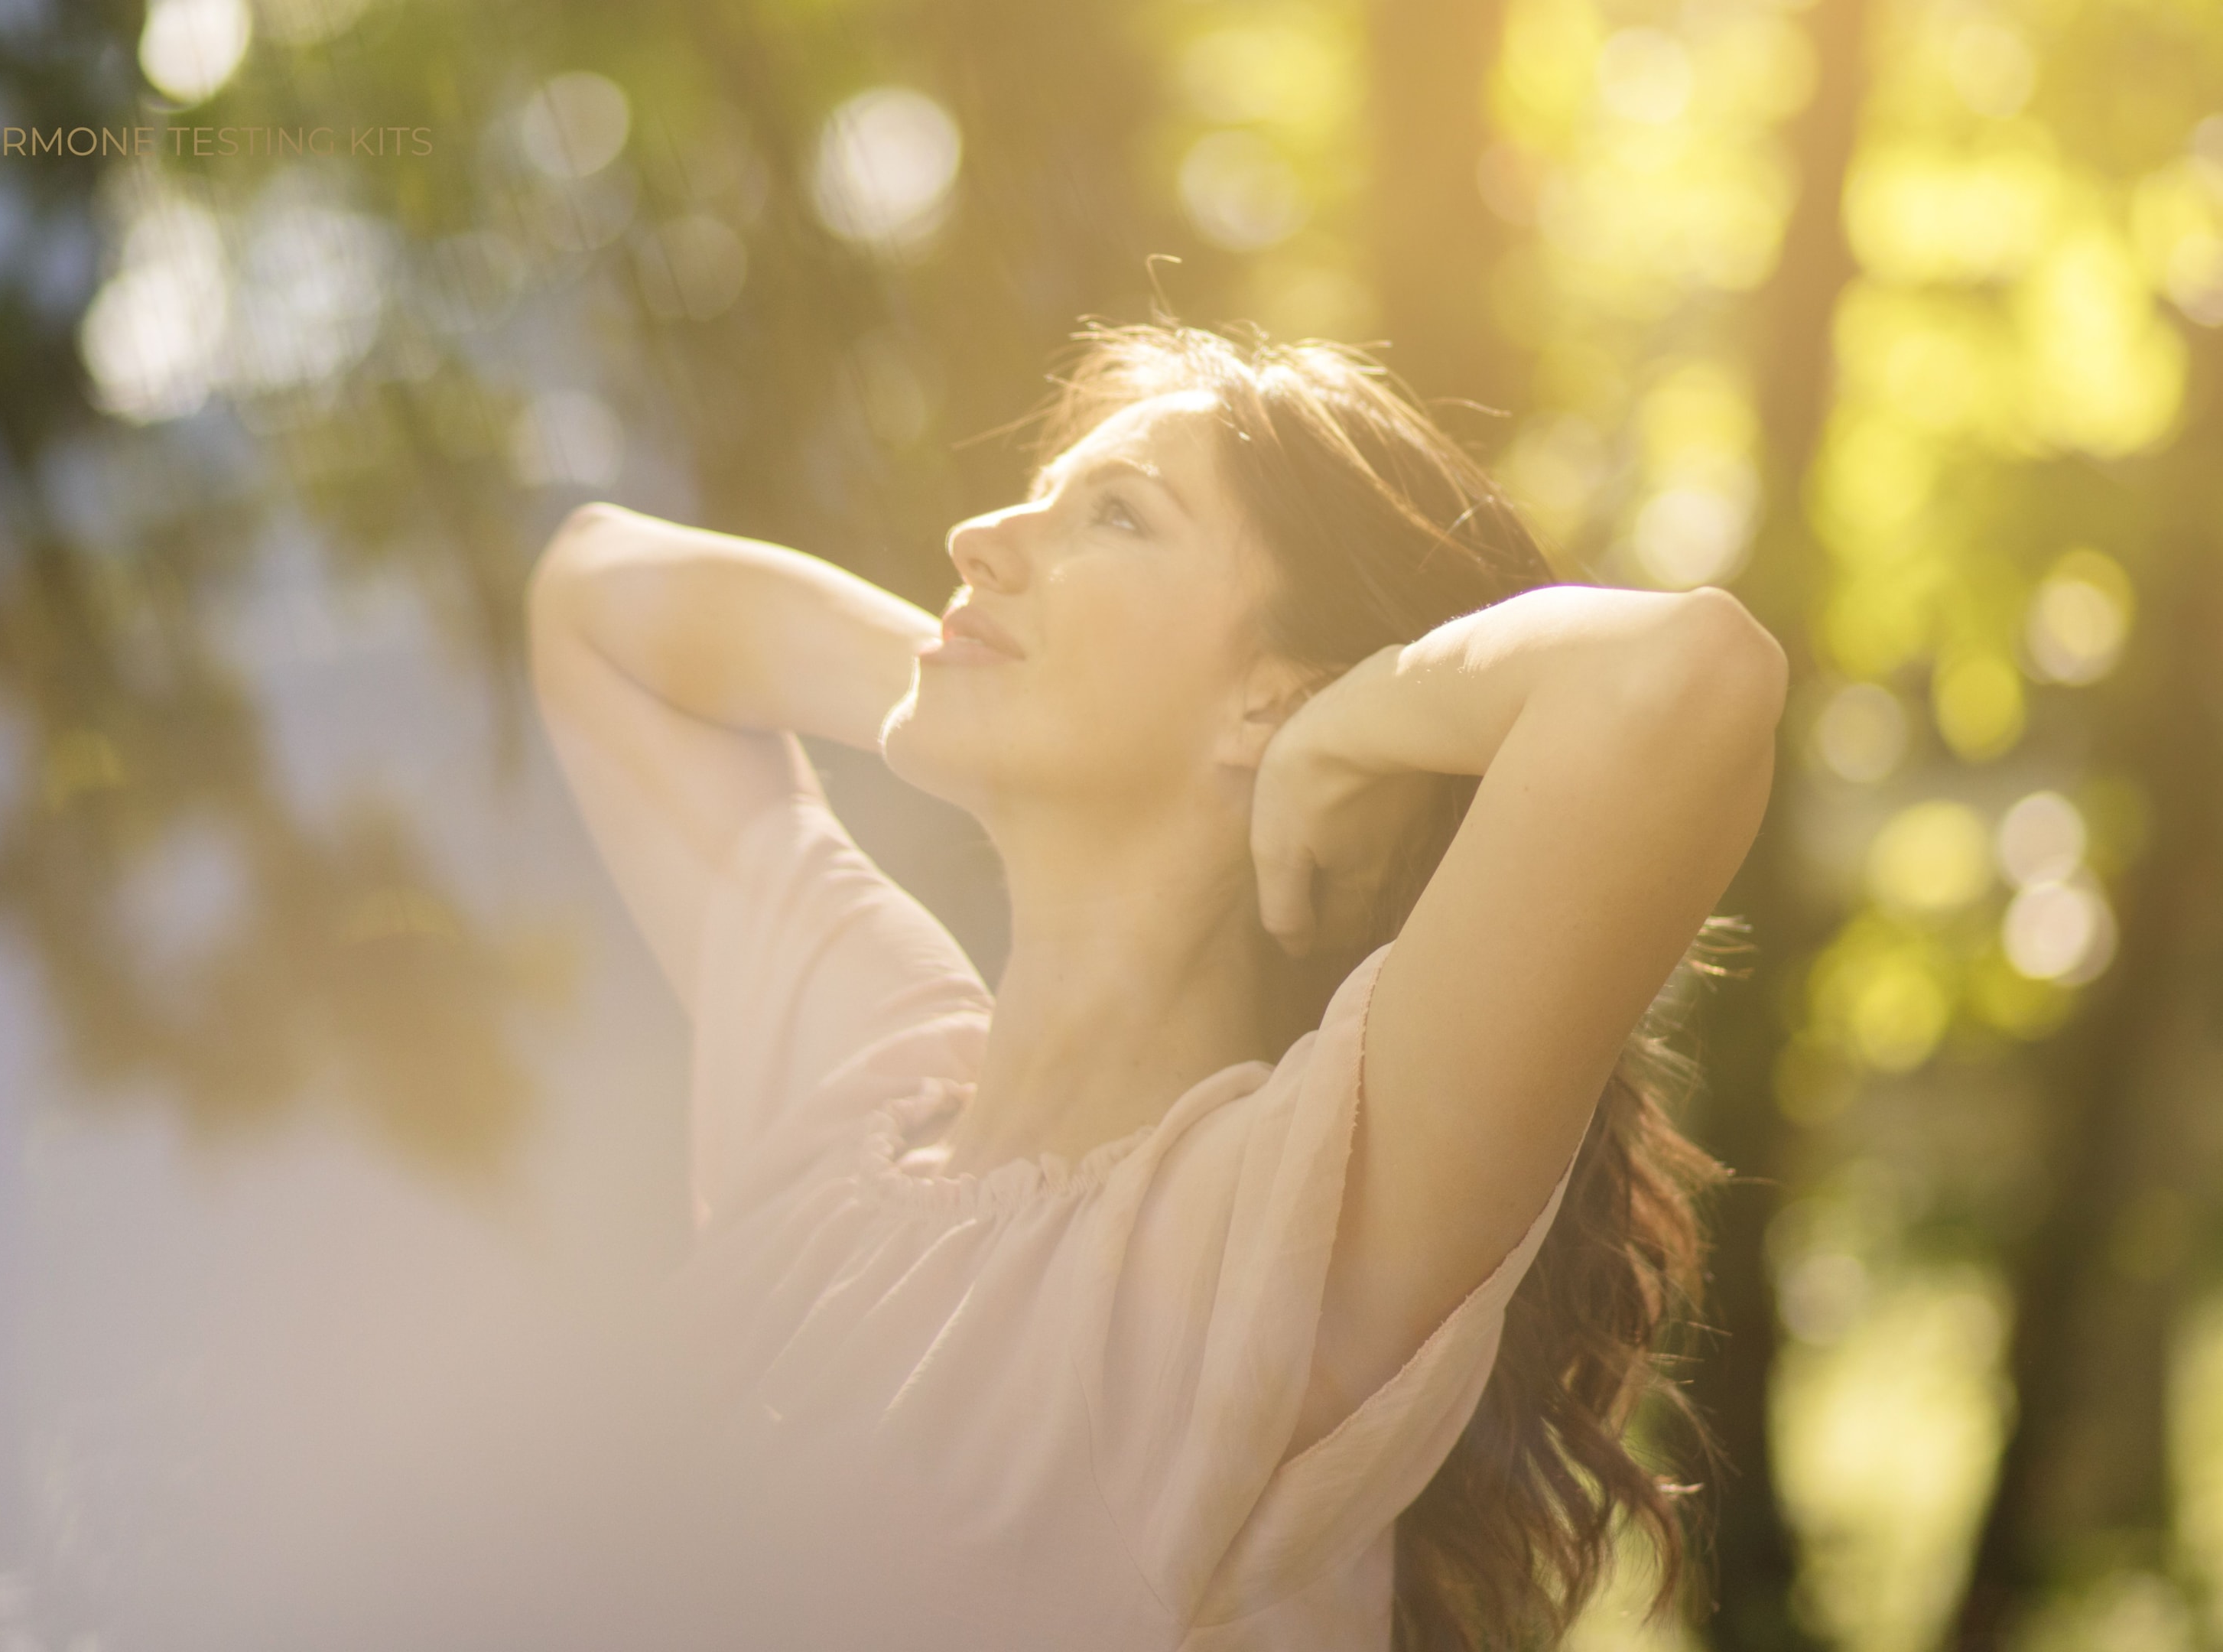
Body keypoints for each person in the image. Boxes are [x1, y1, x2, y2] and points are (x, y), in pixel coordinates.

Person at [525, 319, 1784, 1650]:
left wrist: (1336, 727)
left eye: (1115, 518)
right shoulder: (865, 1091)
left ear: (1268, 697)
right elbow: (591, 596)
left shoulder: (1264, 1249)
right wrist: (954, 677)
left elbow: (1685, 680)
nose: (978, 539)